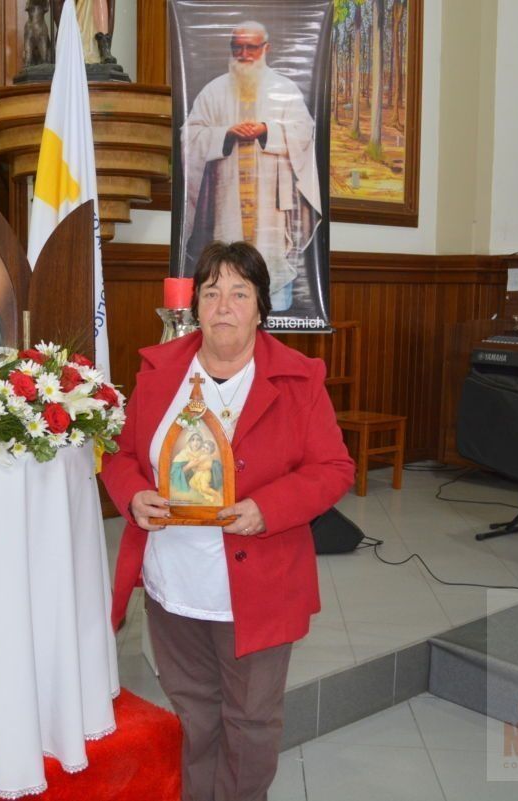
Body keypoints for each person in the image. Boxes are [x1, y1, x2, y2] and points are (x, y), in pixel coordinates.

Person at [100, 241, 353, 801]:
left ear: (261, 307)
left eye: (239, 293)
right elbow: (119, 457)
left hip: (258, 588)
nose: (223, 306)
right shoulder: (159, 371)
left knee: (250, 722)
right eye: (211, 292)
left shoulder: (297, 379)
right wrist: (134, 495)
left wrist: (269, 509)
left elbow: (335, 468)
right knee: (196, 716)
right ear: (195, 306)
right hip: (175, 586)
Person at [182, 21, 322, 315]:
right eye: (237, 47)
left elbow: (303, 131)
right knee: (226, 287)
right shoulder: (214, 91)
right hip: (226, 207)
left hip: (269, 210)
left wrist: (266, 130)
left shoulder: (285, 89)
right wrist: (225, 133)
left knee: (270, 283)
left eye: (251, 47)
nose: (243, 54)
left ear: (265, 49)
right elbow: (190, 136)